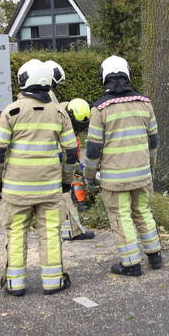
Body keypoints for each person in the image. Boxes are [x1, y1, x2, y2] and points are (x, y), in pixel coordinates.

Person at [0, 59, 78, 296]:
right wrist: (66, 181)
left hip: (17, 192)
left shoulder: (12, 112)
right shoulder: (59, 113)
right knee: (50, 232)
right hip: (49, 190)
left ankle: (15, 284)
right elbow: (71, 152)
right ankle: (53, 281)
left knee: (16, 233)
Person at [83, 55, 162, 276]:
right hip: (142, 173)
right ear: (127, 74)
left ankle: (131, 264)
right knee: (143, 211)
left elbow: (93, 149)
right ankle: (155, 256)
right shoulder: (145, 104)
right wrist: (150, 166)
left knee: (121, 216)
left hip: (115, 178)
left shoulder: (100, 109)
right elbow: (153, 140)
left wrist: (89, 175)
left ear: (104, 77)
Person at [59, 97, 95, 241]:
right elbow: (65, 151)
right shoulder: (57, 119)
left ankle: (70, 230)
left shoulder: (68, 113)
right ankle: (72, 231)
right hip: (53, 159)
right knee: (63, 194)